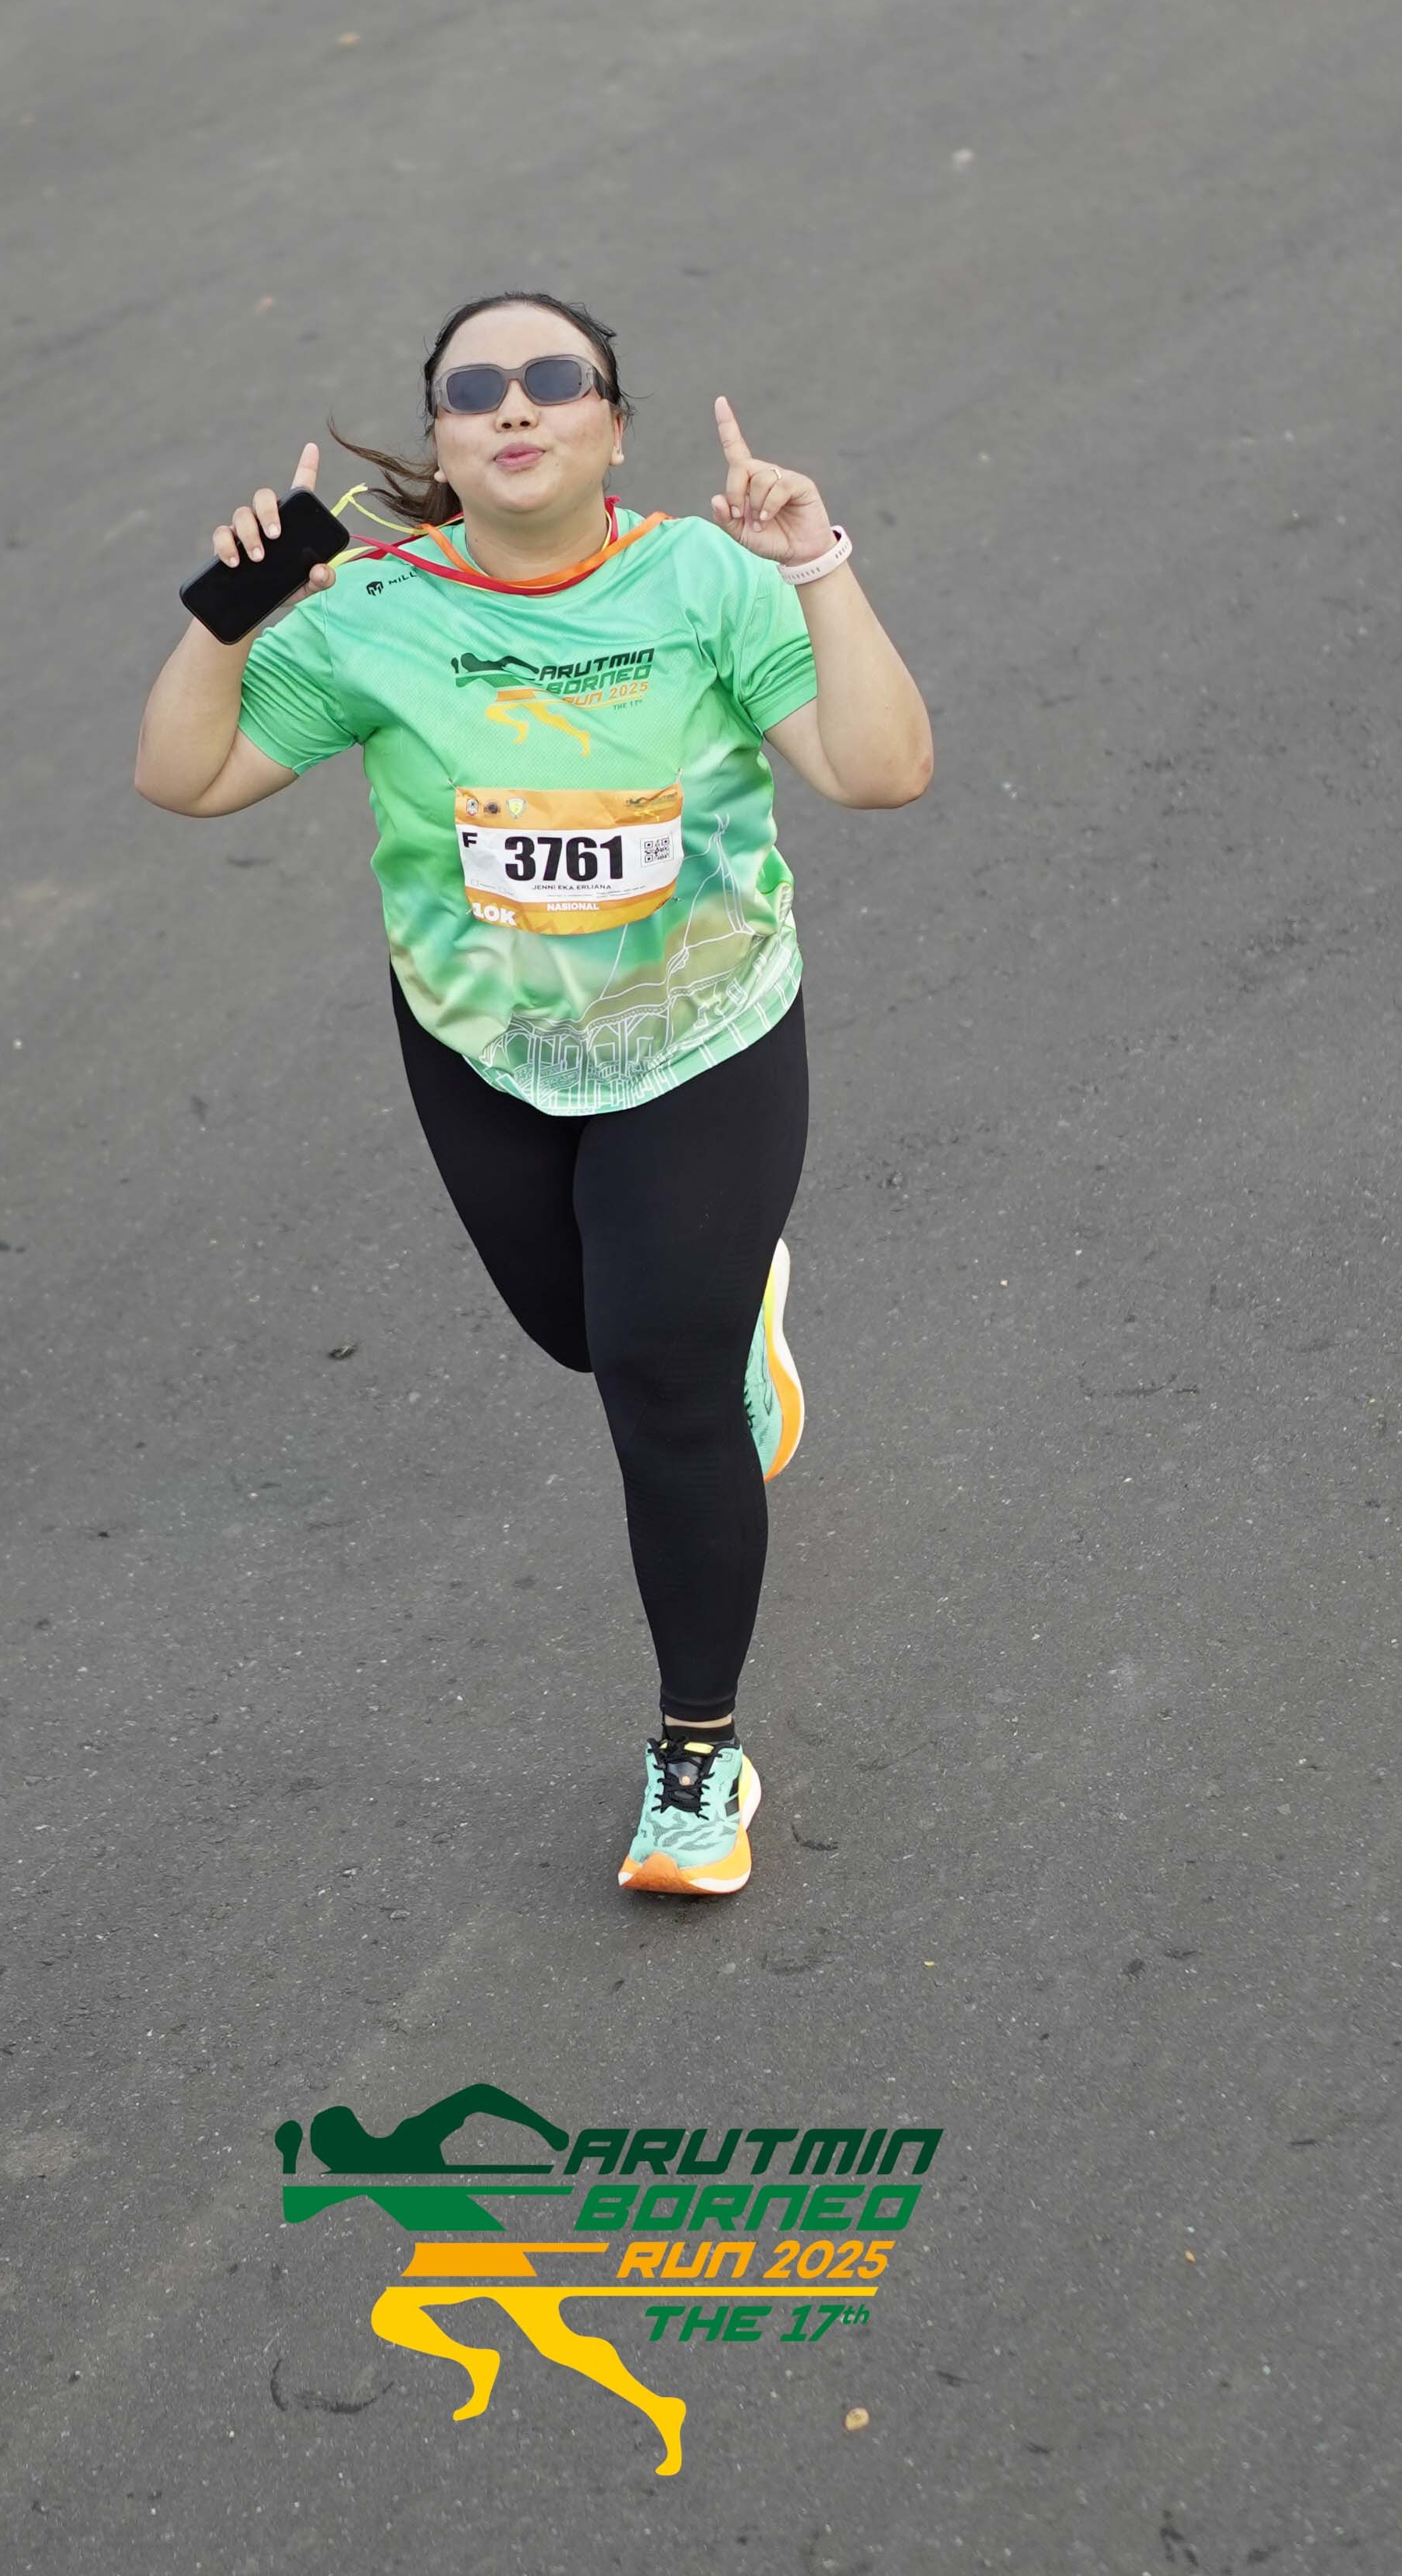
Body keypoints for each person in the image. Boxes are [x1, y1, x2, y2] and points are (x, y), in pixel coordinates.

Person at [133, 293, 931, 1895]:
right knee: (587, 1334)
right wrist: (227, 619)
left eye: (554, 378)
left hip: (701, 1035)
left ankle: (697, 1758)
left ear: (612, 426)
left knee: (656, 1381)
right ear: (439, 436)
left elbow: (880, 769)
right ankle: (731, 1319)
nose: (514, 405)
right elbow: (186, 777)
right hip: (483, 1045)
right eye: (474, 387)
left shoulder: (707, 578)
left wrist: (818, 565)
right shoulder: (375, 608)